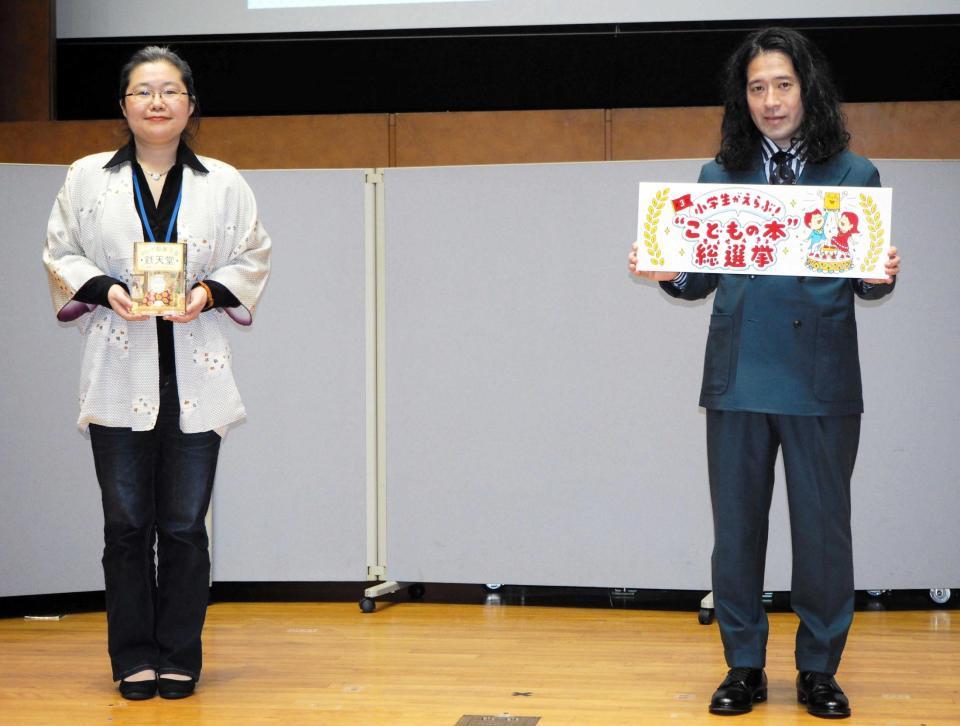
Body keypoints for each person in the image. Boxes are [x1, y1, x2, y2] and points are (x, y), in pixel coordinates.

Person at [628, 27, 900, 719]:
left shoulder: (854, 174)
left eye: (782, 84)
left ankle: (818, 669)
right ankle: (743, 666)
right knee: (738, 532)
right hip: (740, 374)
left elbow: (866, 282)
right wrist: (666, 273)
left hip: (821, 379)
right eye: (757, 87)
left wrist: (878, 277)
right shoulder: (720, 176)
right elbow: (697, 280)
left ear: (807, 89)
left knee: (823, 535)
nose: (771, 100)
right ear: (741, 98)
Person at [43, 46, 271, 700]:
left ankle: (179, 655)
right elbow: (60, 249)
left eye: (170, 91)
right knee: (124, 526)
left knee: (182, 527)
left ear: (190, 105)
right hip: (118, 367)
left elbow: (254, 253)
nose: (157, 102)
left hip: (195, 370)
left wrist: (206, 294)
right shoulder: (87, 177)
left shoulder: (223, 182)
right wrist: (105, 288)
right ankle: (131, 657)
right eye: (143, 91)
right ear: (123, 105)